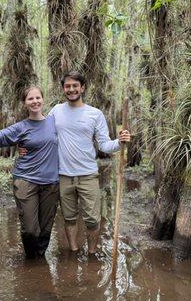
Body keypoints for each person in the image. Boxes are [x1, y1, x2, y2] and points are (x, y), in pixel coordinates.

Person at [48, 71, 130, 254]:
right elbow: (44, 135)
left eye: (75, 86)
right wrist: (25, 146)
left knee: (93, 219)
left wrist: (120, 142)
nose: (71, 89)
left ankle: (92, 253)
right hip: (63, 175)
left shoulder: (95, 114)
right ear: (63, 89)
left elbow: (104, 144)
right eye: (67, 86)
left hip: (88, 175)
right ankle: (74, 251)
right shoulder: (55, 111)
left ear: (82, 88)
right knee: (69, 218)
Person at [0, 86, 59, 258]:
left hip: (51, 183)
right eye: (30, 99)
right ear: (25, 103)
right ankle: (31, 260)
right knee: (30, 229)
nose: (35, 101)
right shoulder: (21, 127)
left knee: (45, 229)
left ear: (43, 100)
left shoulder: (55, 122)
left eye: (38, 97)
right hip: (26, 180)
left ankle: (39, 263)